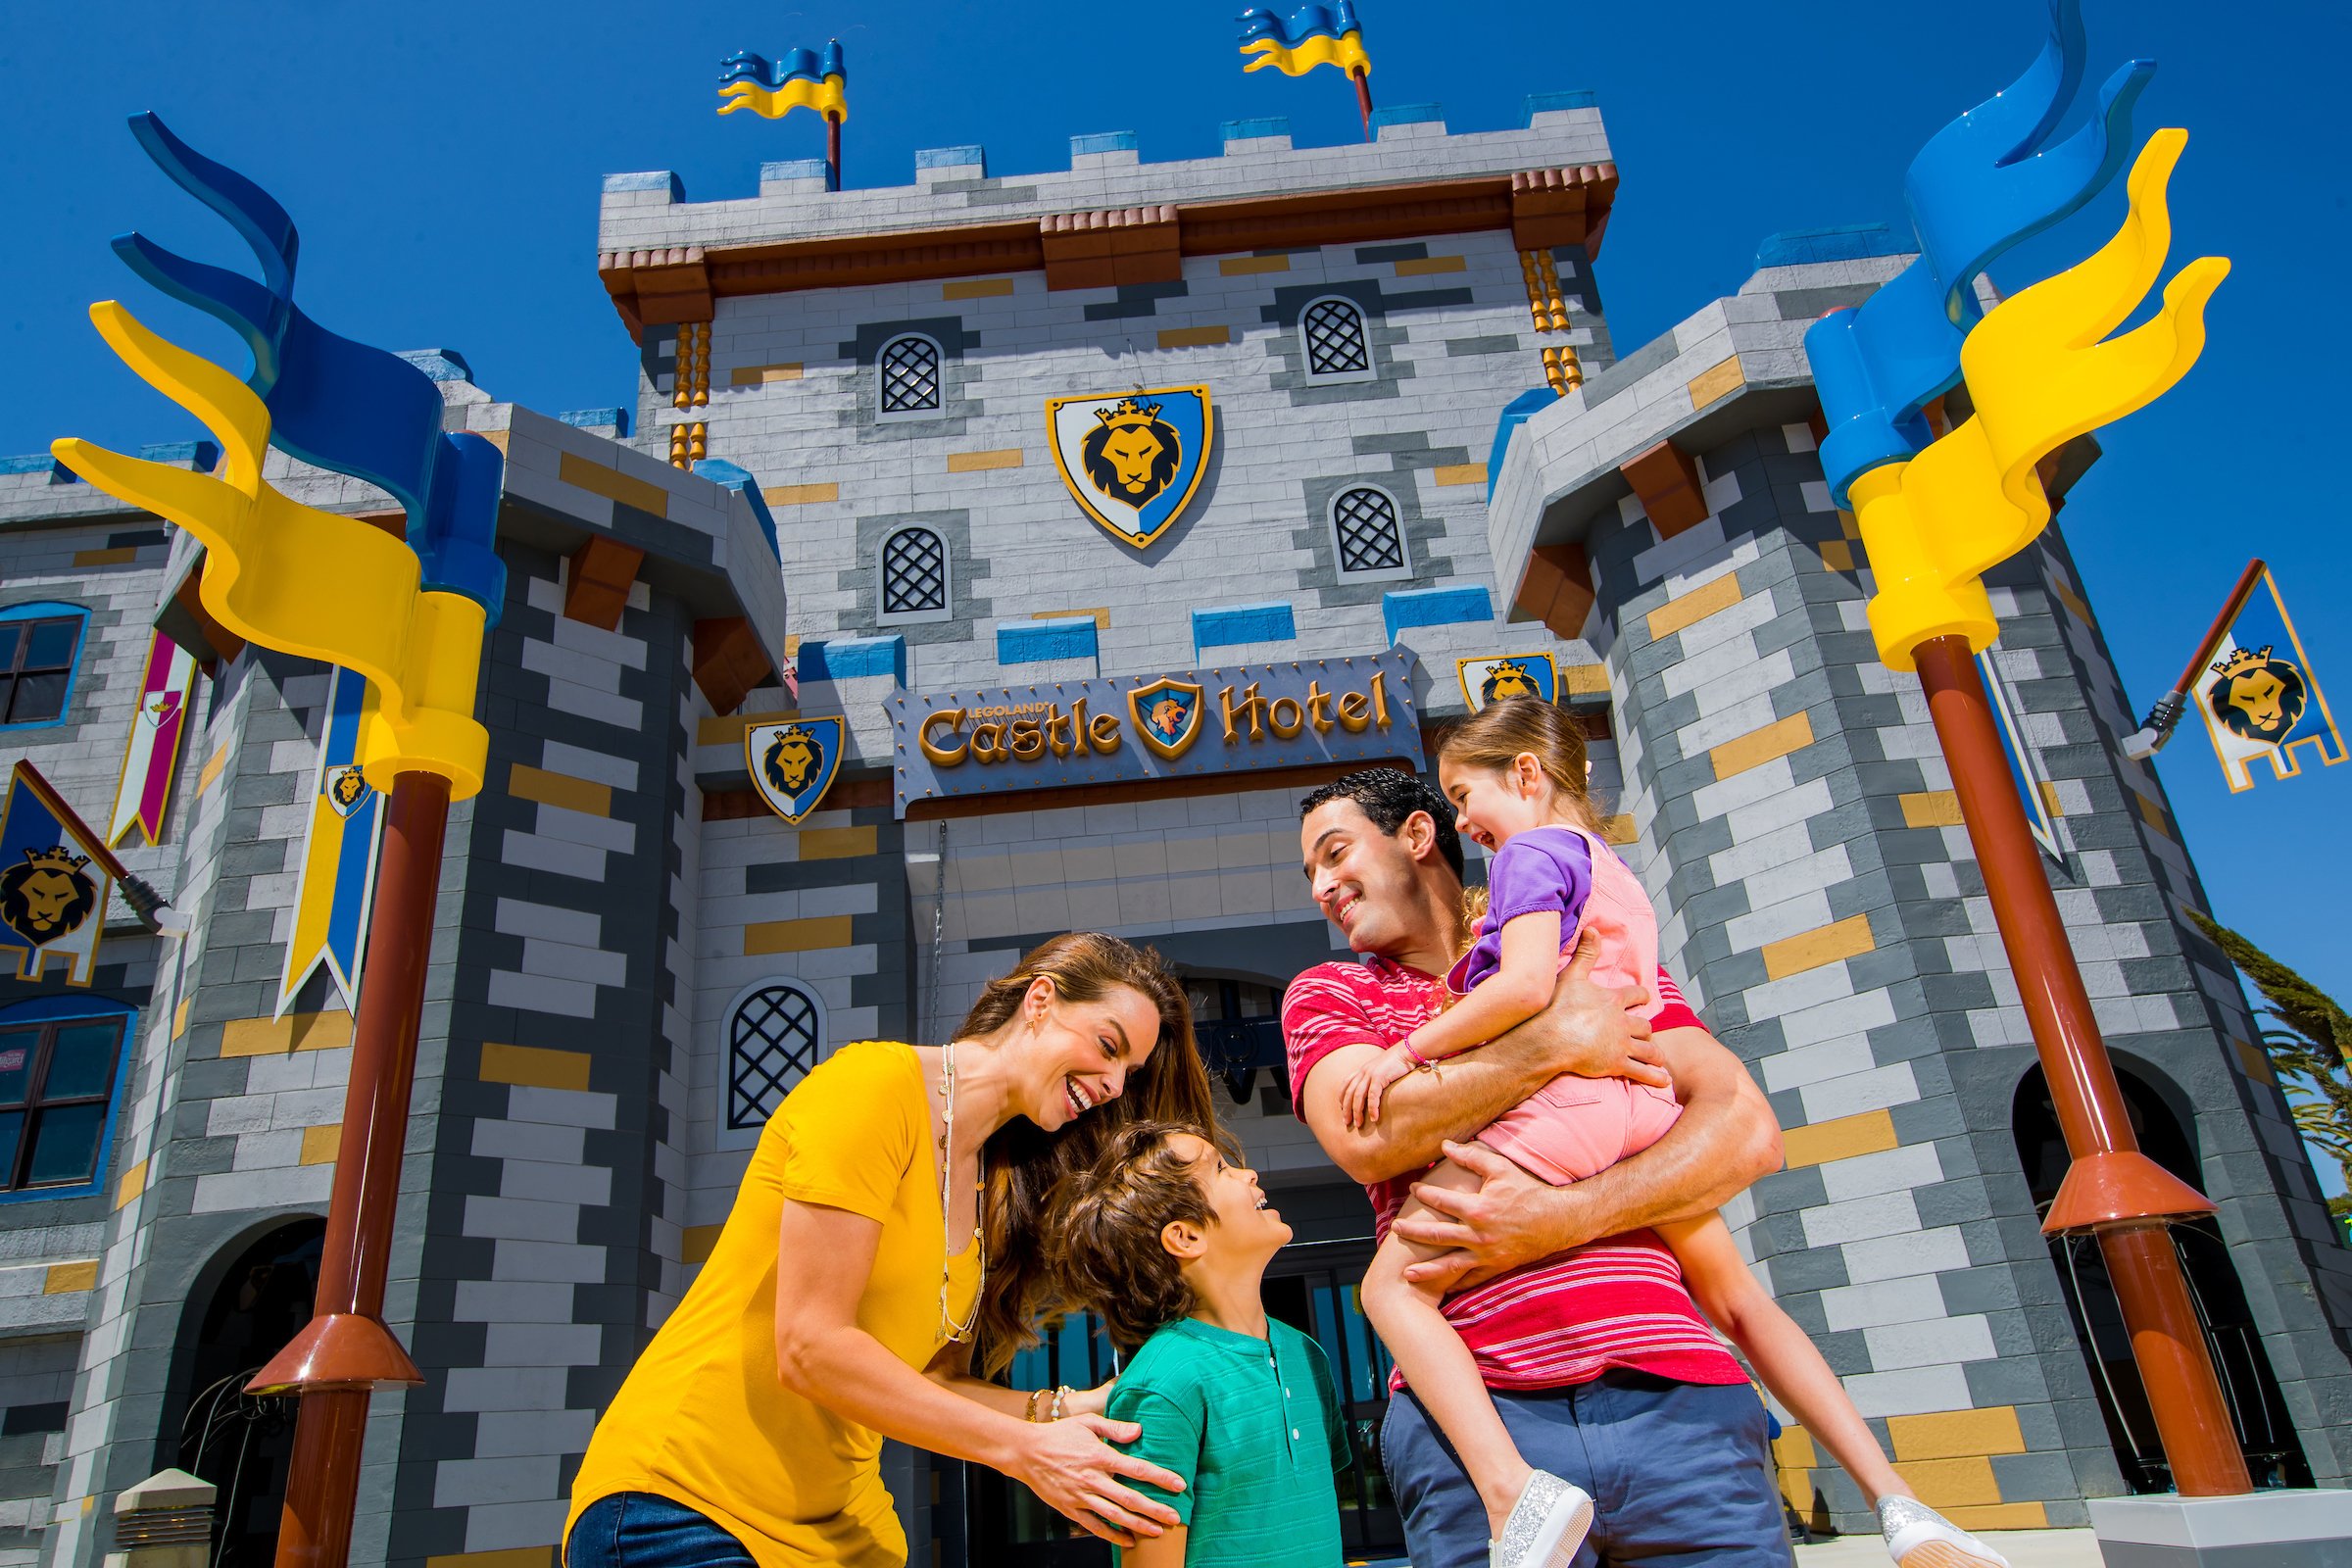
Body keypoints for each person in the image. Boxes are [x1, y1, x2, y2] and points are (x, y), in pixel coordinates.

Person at [1336, 703, 2008, 1568]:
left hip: (1561, 1111)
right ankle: (1903, 1507)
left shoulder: (1531, 854)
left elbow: (1528, 985)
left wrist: (1408, 1050)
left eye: (1468, 795)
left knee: (1388, 1293)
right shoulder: (1613, 869)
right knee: (1740, 1299)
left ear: (1528, 776)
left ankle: (1515, 1496)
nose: (1468, 822)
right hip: (1640, 1104)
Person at [565, 933, 1219, 1568]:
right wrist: (1026, 1450)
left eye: (1128, 1075)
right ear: (1040, 1000)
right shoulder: (872, 1086)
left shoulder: (991, 1188)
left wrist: (1080, 1411)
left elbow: (932, 1383)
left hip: (839, 1533)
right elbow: (810, 1346)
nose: (1112, 1083)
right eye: (1108, 1046)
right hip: (682, 1505)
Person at [1286, 766, 1788, 1568]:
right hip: (1475, 1426)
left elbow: (1746, 1131)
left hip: (1678, 1398)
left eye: (1334, 853)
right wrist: (1552, 1039)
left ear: (1418, 835)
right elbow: (1369, 1138)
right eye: (1309, 871)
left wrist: (1563, 1216)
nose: (1320, 885)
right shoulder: (1332, 992)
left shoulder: (1586, 945)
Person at [1053, 1122, 1348, 1568]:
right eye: (1222, 1169)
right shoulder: (1164, 1383)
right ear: (1186, 1236)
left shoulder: (1308, 1355)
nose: (1248, 1174)